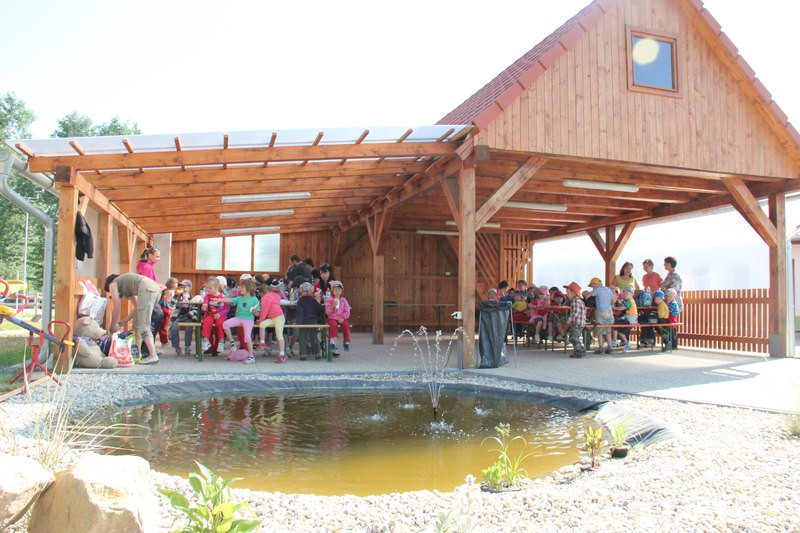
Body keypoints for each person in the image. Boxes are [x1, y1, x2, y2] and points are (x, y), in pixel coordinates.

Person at [104, 273, 161, 364]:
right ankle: (137, 355)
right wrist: (123, 321)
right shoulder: (127, 285)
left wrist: (112, 327)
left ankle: (153, 355)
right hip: (154, 289)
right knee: (137, 326)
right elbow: (137, 307)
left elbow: (117, 307)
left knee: (143, 326)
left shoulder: (113, 284)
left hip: (147, 289)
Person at [219, 278, 259, 364]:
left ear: (248, 288)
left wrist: (255, 312)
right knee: (225, 324)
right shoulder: (239, 298)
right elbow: (230, 300)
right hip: (238, 318)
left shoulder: (255, 299)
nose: (239, 288)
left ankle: (251, 356)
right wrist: (219, 300)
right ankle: (232, 341)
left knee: (247, 337)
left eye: (242, 287)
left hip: (248, 320)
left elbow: (258, 314)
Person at [256, 278, 288, 363]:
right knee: (263, 325)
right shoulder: (275, 295)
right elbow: (279, 298)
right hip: (275, 317)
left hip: (278, 318)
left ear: (262, 293)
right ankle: (262, 343)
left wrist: (260, 320)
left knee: (279, 335)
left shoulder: (265, 298)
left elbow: (264, 311)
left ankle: (282, 354)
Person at [201, 277, 229, 357]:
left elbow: (227, 308)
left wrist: (220, 314)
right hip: (210, 315)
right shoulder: (207, 296)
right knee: (206, 322)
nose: (208, 290)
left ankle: (220, 342)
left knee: (220, 324)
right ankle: (206, 340)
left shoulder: (223, 297)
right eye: (207, 288)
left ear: (216, 288)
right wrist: (204, 308)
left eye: (210, 288)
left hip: (219, 316)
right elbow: (205, 306)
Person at [296, 282, 324, 360]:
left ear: (302, 291)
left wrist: (298, 323)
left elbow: (300, 313)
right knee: (314, 337)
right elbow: (319, 310)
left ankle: (303, 354)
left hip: (303, 322)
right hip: (313, 322)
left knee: (302, 338)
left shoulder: (300, 301)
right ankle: (317, 353)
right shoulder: (314, 300)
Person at [169, 279, 197, 356]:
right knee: (174, 327)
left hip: (188, 316)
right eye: (182, 287)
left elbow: (195, 307)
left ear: (190, 288)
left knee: (189, 327)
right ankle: (176, 347)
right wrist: (177, 297)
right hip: (179, 315)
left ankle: (187, 346)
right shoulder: (177, 296)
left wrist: (189, 302)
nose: (183, 288)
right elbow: (171, 305)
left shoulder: (192, 297)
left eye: (185, 287)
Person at [589, 277, 614, 355]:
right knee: (608, 330)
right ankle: (610, 347)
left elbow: (588, 296)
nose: (592, 288)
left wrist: (585, 294)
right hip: (609, 312)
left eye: (592, 286)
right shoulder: (608, 289)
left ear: (595, 284)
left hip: (600, 312)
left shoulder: (597, 289)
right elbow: (613, 301)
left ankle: (601, 347)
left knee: (599, 330)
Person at [325, 280, 351, 356]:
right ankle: (332, 343)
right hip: (332, 318)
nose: (337, 292)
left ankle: (346, 342)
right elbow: (327, 312)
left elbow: (347, 311)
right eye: (336, 290)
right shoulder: (329, 300)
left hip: (341, 318)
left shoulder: (344, 300)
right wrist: (333, 306)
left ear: (342, 291)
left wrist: (343, 317)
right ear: (332, 291)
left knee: (346, 325)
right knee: (333, 325)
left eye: (339, 290)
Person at [563, 281, 586, 358]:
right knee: (575, 337)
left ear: (573, 293)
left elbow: (575, 312)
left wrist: (569, 320)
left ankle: (578, 351)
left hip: (576, 323)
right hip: (581, 322)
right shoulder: (581, 302)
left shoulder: (574, 302)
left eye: (568, 293)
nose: (567, 294)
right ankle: (582, 349)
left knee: (573, 338)